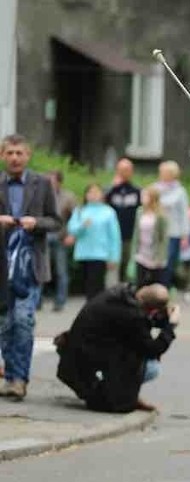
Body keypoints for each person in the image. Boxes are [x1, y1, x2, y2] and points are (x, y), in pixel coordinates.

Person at [0, 134, 61, 401]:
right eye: (10, 153)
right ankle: (11, 374)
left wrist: (35, 222)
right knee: (4, 324)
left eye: (19, 153)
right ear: (2, 156)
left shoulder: (42, 184)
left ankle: (18, 379)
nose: (14, 158)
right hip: (3, 267)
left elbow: (56, 222)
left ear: (28, 156)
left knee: (23, 322)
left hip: (31, 266)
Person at [54, 283, 178, 413]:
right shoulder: (133, 315)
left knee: (133, 351)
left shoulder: (119, 295)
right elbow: (153, 350)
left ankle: (125, 392)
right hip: (85, 366)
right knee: (152, 367)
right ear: (152, 310)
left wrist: (161, 318)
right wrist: (171, 326)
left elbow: (141, 326)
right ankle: (115, 394)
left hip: (75, 358)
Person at [66, 183, 122, 300]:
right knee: (87, 286)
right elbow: (72, 229)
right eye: (90, 192)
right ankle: (90, 310)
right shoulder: (80, 210)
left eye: (96, 192)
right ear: (86, 195)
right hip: (83, 254)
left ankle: (97, 311)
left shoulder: (108, 212)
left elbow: (114, 237)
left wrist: (114, 257)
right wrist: (82, 225)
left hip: (101, 254)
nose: (93, 195)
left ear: (102, 195)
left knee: (96, 286)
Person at [154, 160, 190, 288]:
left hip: (173, 232)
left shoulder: (180, 191)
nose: (162, 174)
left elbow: (184, 214)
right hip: (156, 232)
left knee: (168, 263)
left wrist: (185, 235)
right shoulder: (155, 189)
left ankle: (164, 288)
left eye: (165, 172)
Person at [105, 158, 141, 281]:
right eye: (121, 170)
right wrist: (112, 187)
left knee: (127, 266)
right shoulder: (110, 190)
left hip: (129, 235)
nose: (123, 173)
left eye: (126, 170)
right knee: (113, 266)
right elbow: (102, 202)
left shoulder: (137, 191)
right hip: (112, 235)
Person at [45, 170, 77, 312]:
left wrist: (72, 234)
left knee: (61, 271)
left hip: (60, 236)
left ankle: (60, 301)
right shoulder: (40, 195)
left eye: (52, 181)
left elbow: (76, 217)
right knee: (40, 269)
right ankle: (37, 300)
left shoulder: (68, 197)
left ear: (59, 182)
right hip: (43, 236)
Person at [128, 186, 169, 287]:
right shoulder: (139, 211)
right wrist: (133, 252)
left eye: (145, 196)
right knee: (140, 282)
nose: (142, 198)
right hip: (141, 252)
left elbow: (163, 238)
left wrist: (161, 256)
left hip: (155, 253)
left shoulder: (160, 215)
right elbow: (136, 233)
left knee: (156, 283)